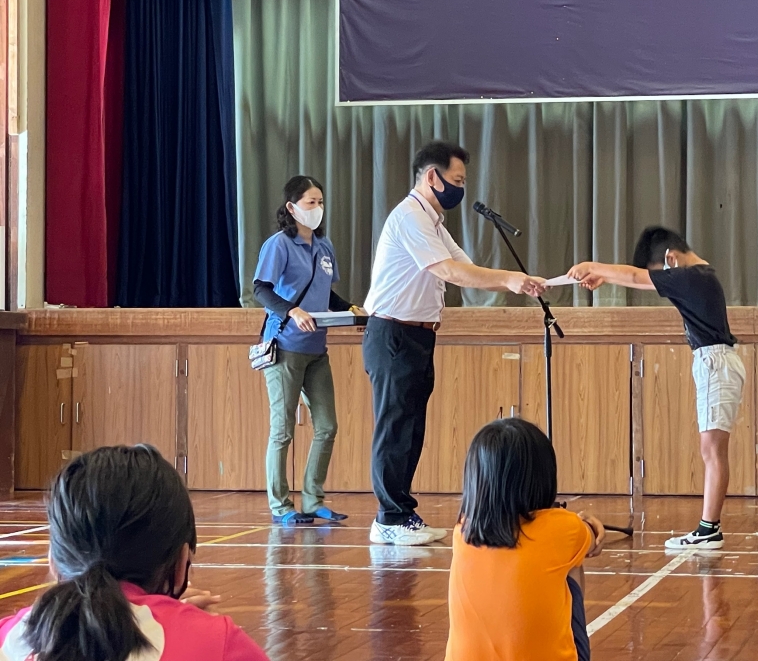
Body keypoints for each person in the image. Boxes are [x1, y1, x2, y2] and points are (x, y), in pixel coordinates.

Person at [362, 141, 547, 546]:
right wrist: (509, 280)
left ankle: (402, 513)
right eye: (457, 180)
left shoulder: (433, 223)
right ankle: (389, 518)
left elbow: (466, 266)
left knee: (411, 429)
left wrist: (519, 281)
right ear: (433, 176)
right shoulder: (410, 216)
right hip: (393, 333)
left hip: (417, 335)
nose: (461, 188)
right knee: (395, 428)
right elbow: (449, 272)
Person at [0, 445, 268, 661]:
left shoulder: (6, 637)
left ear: (54, 561)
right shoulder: (218, 643)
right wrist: (190, 627)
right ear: (181, 565)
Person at [569, 226, 744, 550]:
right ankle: (709, 528)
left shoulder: (692, 276)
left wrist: (593, 266)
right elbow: (640, 280)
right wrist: (605, 277)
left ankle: (709, 529)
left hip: (714, 362)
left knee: (712, 450)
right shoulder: (699, 275)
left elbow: (637, 278)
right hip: (715, 361)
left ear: (670, 258)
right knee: (712, 449)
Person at [445, 418, 605, 661]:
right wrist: (588, 523)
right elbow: (593, 540)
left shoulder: (463, 530)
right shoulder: (564, 527)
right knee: (573, 562)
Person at [253, 175, 362, 525]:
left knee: (327, 425)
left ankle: (313, 500)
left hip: (317, 348)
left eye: (320, 202)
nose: (317, 208)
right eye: (310, 202)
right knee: (282, 429)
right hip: (285, 345)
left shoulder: (324, 246)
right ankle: (281, 506)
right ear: (292, 207)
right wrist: (292, 311)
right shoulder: (278, 245)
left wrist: (350, 308)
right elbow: (261, 289)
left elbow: (325, 294)